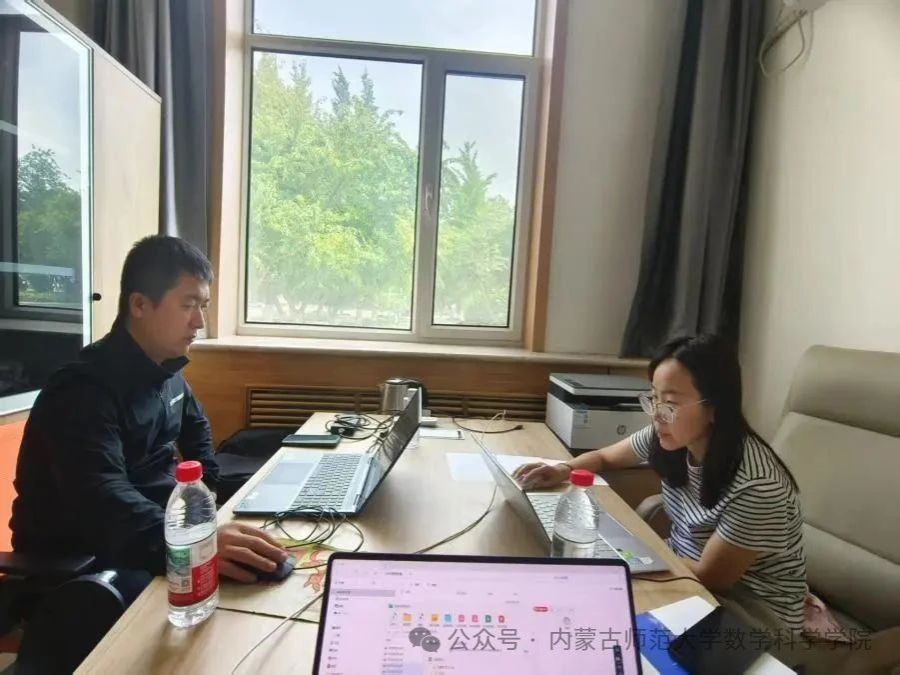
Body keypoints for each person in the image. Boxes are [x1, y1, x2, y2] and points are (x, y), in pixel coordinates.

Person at [11, 235, 287, 586]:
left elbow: (197, 432)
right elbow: (102, 497)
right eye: (188, 305)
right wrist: (194, 540)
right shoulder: (80, 391)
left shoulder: (166, 371)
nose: (199, 322)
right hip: (87, 562)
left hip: (153, 529)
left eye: (203, 306)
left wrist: (209, 502)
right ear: (139, 304)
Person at [514, 334, 807, 633]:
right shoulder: (673, 437)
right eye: (653, 398)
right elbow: (604, 457)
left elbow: (713, 578)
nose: (656, 415)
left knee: (602, 620)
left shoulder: (758, 487)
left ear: (715, 407)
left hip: (751, 612)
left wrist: (632, 550)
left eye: (670, 403)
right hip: (682, 572)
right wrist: (563, 469)